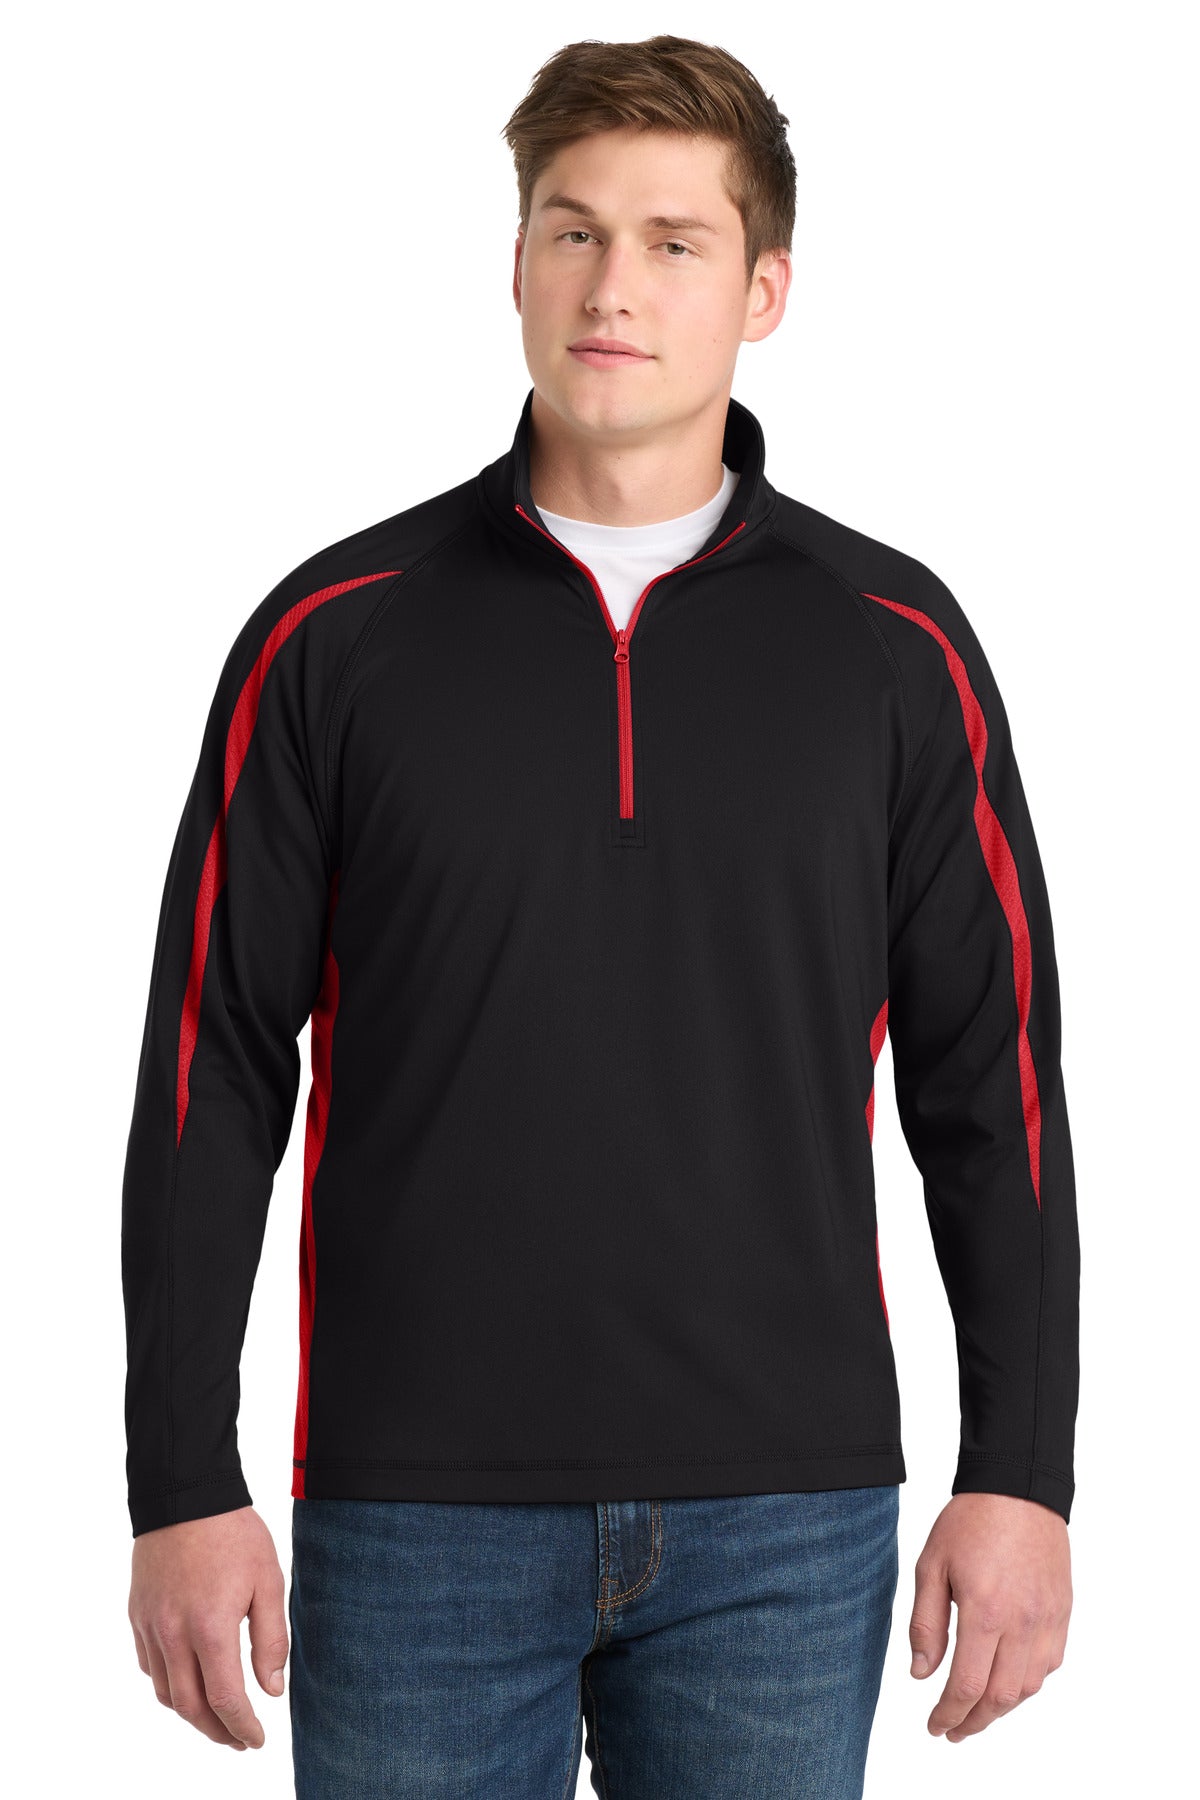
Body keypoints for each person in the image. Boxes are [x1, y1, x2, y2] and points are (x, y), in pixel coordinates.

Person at [122, 33, 1079, 1800]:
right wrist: (179, 1477)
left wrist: (1022, 1472)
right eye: (573, 232)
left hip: (783, 1520)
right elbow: (212, 1068)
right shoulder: (335, 636)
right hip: (414, 1513)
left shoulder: (893, 650)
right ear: (516, 264)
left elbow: (992, 1086)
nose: (613, 286)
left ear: (765, 289)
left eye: (673, 240)